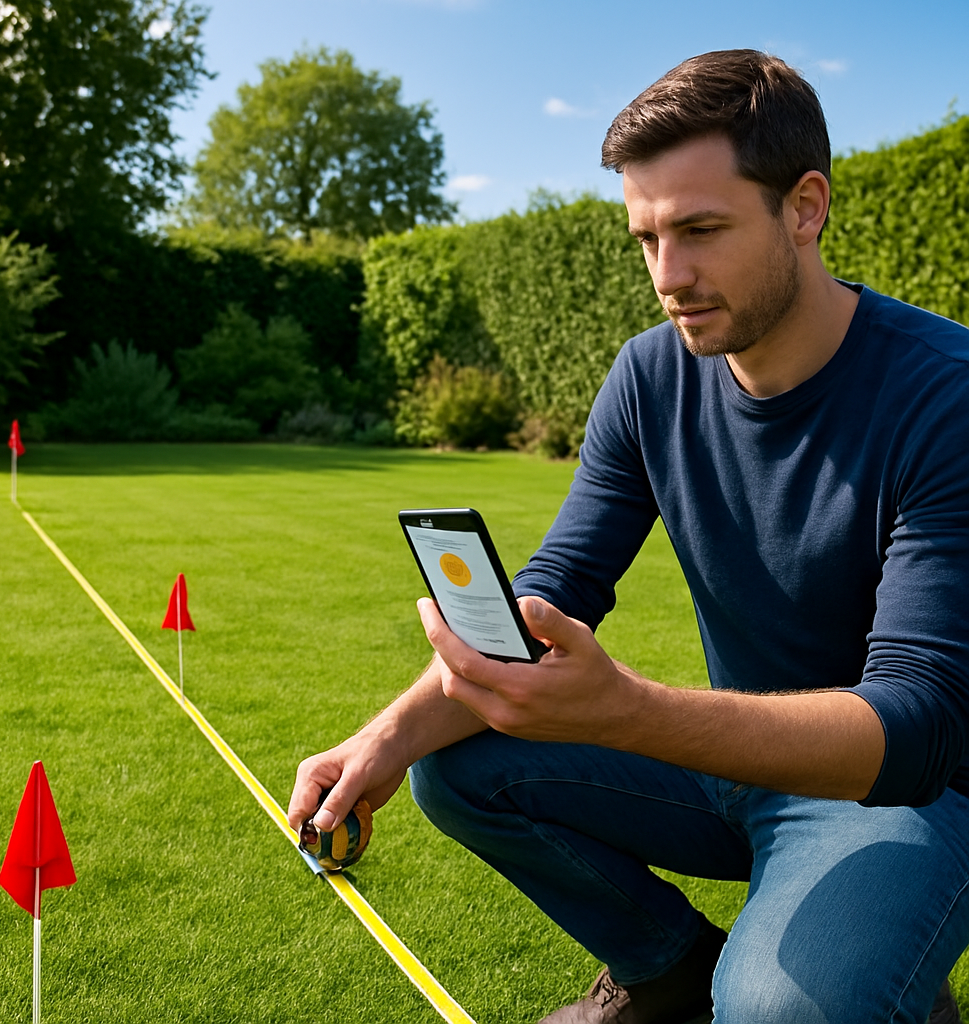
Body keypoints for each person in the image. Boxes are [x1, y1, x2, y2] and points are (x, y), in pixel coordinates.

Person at [289, 50, 969, 1024]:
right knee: (458, 761)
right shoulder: (651, 376)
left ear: (805, 207)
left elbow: (918, 728)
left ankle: (871, 966)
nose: (668, 276)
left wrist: (621, 709)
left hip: (911, 796)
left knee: (781, 1013)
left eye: (699, 230)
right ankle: (667, 975)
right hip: (734, 765)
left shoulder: (943, 397)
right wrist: (380, 740)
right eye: (645, 237)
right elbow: (556, 587)